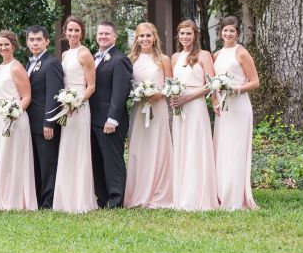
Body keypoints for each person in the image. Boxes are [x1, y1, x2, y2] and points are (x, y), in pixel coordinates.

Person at [171, 19, 219, 211]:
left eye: (188, 34)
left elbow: (211, 84)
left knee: (195, 147)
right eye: (182, 33)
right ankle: (182, 195)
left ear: (195, 35)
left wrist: (187, 97)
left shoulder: (204, 55)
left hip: (196, 106)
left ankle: (198, 196)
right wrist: (174, 96)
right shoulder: (175, 57)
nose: (185, 37)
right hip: (179, 109)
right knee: (182, 147)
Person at [212, 16, 259, 210]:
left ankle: (235, 196)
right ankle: (221, 192)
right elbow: (214, 82)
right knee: (222, 148)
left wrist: (236, 89)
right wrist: (214, 99)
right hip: (222, 109)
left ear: (237, 33)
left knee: (236, 149)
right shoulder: (216, 55)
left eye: (232, 31)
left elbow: (255, 81)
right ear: (220, 32)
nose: (228, 34)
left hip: (239, 106)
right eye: (225, 30)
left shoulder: (242, 53)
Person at [124, 23, 173, 209]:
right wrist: (140, 95)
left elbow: (169, 86)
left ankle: (159, 192)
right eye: (141, 36)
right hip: (139, 109)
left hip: (158, 108)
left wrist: (156, 95)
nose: (145, 39)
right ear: (136, 38)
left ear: (154, 38)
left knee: (158, 147)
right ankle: (138, 191)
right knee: (139, 148)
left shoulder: (164, 59)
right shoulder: (131, 60)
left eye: (148, 36)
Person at [53, 17, 97, 213]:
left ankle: (80, 199)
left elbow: (91, 86)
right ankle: (65, 198)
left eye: (76, 30)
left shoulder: (85, 53)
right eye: (70, 30)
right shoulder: (64, 55)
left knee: (78, 150)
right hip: (66, 103)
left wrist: (77, 103)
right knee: (67, 148)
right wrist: (66, 102)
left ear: (82, 33)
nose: (73, 34)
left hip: (79, 106)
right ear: (65, 32)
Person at [89, 20, 133, 209]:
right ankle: (102, 198)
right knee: (97, 160)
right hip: (93, 118)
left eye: (107, 34)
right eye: (100, 34)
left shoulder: (120, 59)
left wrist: (112, 119)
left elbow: (120, 92)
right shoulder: (94, 57)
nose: (103, 37)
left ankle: (116, 200)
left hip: (110, 120)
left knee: (112, 161)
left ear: (115, 36)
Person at [0, 31, 37, 211]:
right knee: (2, 158)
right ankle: (3, 198)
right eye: (0, 45)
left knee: (14, 159)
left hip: (15, 120)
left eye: (6, 45)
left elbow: (26, 97)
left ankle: (17, 200)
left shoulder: (16, 67)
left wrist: (13, 113)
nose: (3, 48)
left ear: (14, 46)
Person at [25, 26, 63, 209]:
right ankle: (39, 199)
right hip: (30, 123)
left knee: (48, 164)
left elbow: (53, 94)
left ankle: (48, 202)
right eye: (31, 40)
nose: (35, 43)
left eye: (39, 39)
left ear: (47, 41)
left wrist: (49, 122)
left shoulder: (52, 63)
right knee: (37, 163)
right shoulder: (29, 63)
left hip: (44, 124)